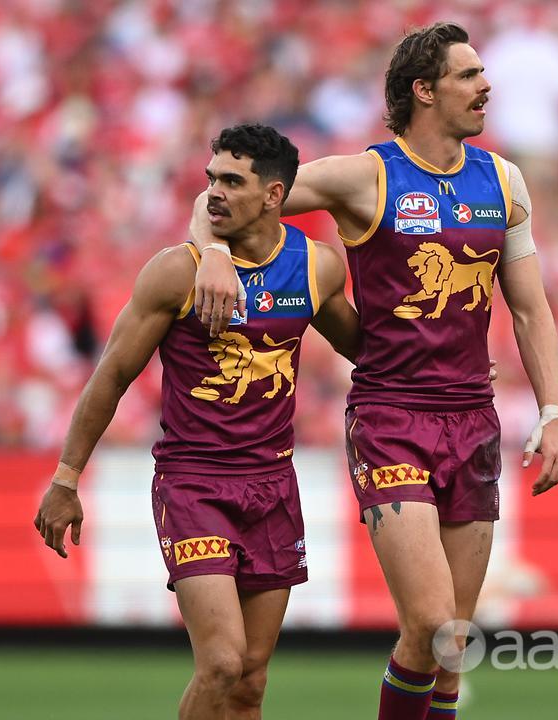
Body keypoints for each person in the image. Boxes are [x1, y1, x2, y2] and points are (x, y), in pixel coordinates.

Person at [189, 22, 558, 720]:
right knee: (430, 624)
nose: (486, 85)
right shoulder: (365, 176)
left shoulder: (504, 181)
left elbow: (529, 310)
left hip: (473, 420)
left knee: (449, 645)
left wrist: (553, 412)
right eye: (467, 75)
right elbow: (226, 196)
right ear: (423, 90)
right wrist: (210, 251)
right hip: (392, 417)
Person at [34, 123, 360, 719]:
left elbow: (365, 349)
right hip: (194, 485)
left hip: (273, 486)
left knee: (250, 683)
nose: (214, 192)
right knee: (221, 663)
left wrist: (443, 362)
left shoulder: (316, 268)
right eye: (211, 178)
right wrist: (65, 476)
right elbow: (110, 376)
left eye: (233, 181)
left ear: (273, 195)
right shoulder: (174, 272)